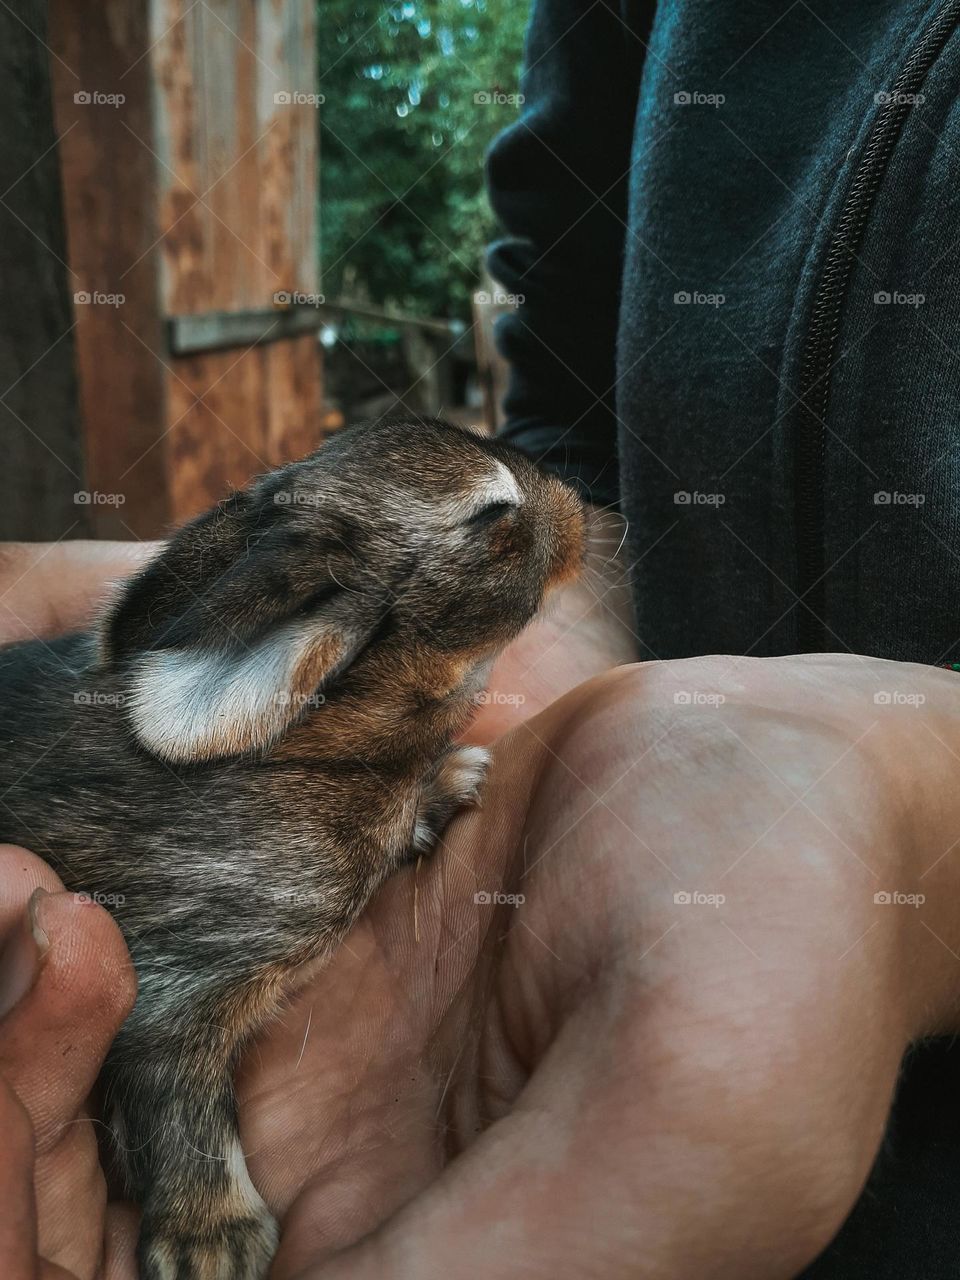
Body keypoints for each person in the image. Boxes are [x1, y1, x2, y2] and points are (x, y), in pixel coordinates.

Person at [5, 2, 960, 1276]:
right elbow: (570, 357)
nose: (562, 522)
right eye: (499, 529)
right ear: (315, 654)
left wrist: (903, 807)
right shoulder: (277, 841)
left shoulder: (336, 759)